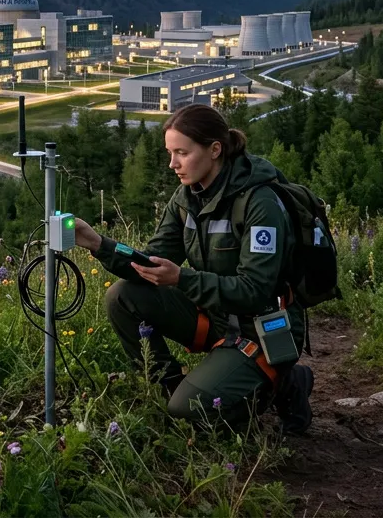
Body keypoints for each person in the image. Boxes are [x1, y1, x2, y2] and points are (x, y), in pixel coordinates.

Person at [74, 104, 314, 433]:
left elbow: (254, 291)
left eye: (182, 153)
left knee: (193, 409)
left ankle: (287, 384)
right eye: (170, 153)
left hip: (261, 328)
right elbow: (152, 261)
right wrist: (98, 243)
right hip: (215, 317)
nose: (173, 164)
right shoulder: (187, 198)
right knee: (122, 297)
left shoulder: (260, 203)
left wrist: (182, 278)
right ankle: (173, 389)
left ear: (215, 149)